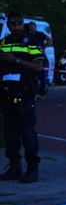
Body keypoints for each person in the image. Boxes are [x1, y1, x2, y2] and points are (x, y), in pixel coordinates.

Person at [0, 12, 46, 183]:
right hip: (5, 92)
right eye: (13, 24)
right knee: (10, 133)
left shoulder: (32, 42)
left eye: (19, 23)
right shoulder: (3, 43)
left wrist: (15, 60)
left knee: (27, 131)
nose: (17, 27)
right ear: (8, 24)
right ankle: (14, 167)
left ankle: (32, 169)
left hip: (24, 92)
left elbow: (38, 67)